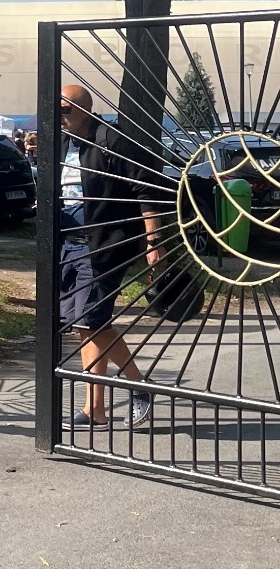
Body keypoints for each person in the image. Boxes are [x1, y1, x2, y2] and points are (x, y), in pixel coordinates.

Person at [59, 83, 162, 428]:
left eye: (65, 110)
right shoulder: (63, 142)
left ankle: (136, 385)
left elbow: (145, 188)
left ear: (84, 110)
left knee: (91, 321)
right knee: (86, 325)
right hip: (69, 243)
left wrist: (154, 240)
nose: (60, 117)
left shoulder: (111, 140)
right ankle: (97, 410)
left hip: (104, 245)